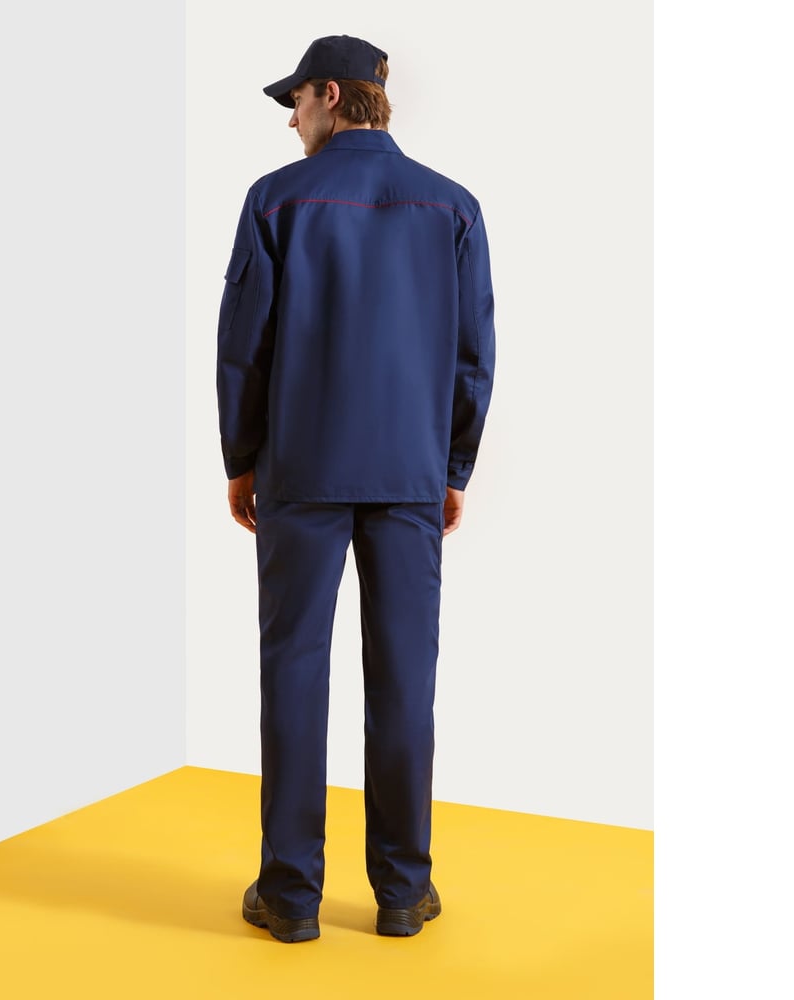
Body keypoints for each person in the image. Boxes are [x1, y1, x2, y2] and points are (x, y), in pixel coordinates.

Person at [215, 34, 496, 943]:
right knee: (406, 680)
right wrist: (452, 469)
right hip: (409, 475)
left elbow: (244, 345)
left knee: (293, 672)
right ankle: (404, 892)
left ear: (330, 96)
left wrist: (241, 458)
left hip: (301, 470)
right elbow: (474, 356)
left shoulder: (277, 199)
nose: (291, 121)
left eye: (295, 102)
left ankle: (291, 897)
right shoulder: (452, 206)